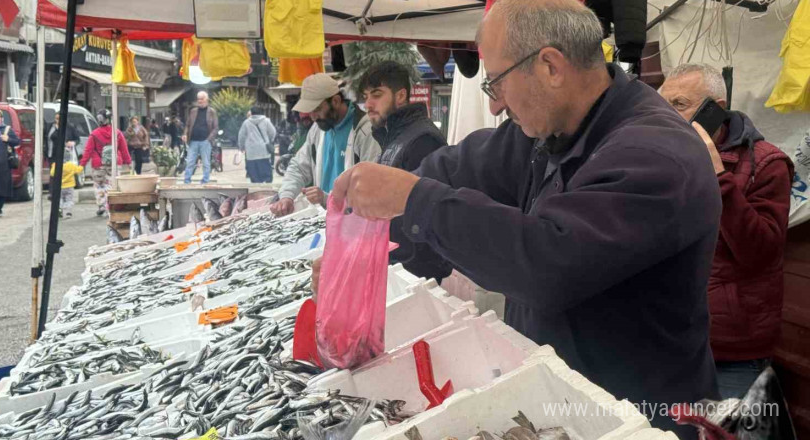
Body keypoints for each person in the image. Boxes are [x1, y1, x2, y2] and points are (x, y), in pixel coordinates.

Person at [327, 0, 722, 437]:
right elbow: (463, 167)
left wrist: (416, 200)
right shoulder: (551, 126)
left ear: (550, 66)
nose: (495, 107)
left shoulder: (656, 155)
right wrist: (370, 222)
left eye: (495, 83)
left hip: (641, 417)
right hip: (562, 396)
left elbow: (548, 261)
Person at [659, 64, 794, 399]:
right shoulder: (664, 158)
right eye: (661, 106)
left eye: (678, 105)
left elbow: (759, 253)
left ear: (715, 110)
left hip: (732, 349)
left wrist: (717, 177)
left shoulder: (767, 163)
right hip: (671, 338)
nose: (666, 116)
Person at [359, 61, 452, 282]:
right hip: (396, 264)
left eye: (377, 95)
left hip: (416, 271)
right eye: (365, 97)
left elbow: (427, 210)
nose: (368, 104)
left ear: (400, 96)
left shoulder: (422, 139)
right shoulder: (393, 137)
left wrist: (401, 262)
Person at [270, 74, 381, 217]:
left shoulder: (365, 131)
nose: (313, 116)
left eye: (317, 109)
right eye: (310, 111)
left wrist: (326, 199)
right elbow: (299, 166)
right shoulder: (318, 129)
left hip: (354, 223)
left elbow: (370, 189)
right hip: (324, 219)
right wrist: (287, 195)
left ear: (335, 101)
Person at [80, 109, 130, 217]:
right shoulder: (117, 133)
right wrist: (128, 161)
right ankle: (110, 206)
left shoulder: (94, 134)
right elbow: (124, 149)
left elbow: (88, 151)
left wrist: (82, 164)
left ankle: (102, 205)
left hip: (99, 164)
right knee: (111, 185)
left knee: (99, 185)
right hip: (114, 163)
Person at [182, 91, 219, 184]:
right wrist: (185, 134)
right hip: (193, 140)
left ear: (206, 99)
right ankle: (187, 180)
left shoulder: (211, 111)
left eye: (202, 99)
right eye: (198, 99)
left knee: (206, 163)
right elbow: (187, 124)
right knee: (190, 161)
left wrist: (209, 139)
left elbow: (215, 127)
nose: (200, 101)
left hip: (205, 141)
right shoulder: (193, 111)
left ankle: (205, 180)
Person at [239, 106, 277, 183]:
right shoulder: (266, 121)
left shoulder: (246, 123)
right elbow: (273, 132)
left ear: (251, 113)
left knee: (254, 175)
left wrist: (241, 146)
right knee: (266, 172)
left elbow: (241, 136)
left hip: (251, 152)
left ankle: (256, 188)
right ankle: (267, 187)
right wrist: (269, 140)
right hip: (263, 151)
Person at [50, 144, 85, 219]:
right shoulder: (70, 165)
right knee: (69, 199)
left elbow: (52, 173)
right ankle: (68, 212)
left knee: (60, 199)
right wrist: (82, 164)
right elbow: (79, 170)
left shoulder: (56, 165)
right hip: (69, 186)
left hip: (60, 186)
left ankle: (60, 209)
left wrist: (53, 166)